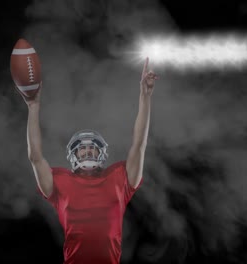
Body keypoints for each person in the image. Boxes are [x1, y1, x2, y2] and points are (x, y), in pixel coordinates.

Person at [19, 58, 158, 263]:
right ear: (73, 155)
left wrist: (145, 97)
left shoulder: (119, 178)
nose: (87, 152)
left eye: (92, 148)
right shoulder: (60, 181)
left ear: (101, 152)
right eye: (82, 148)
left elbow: (139, 145)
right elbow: (35, 156)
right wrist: (33, 106)